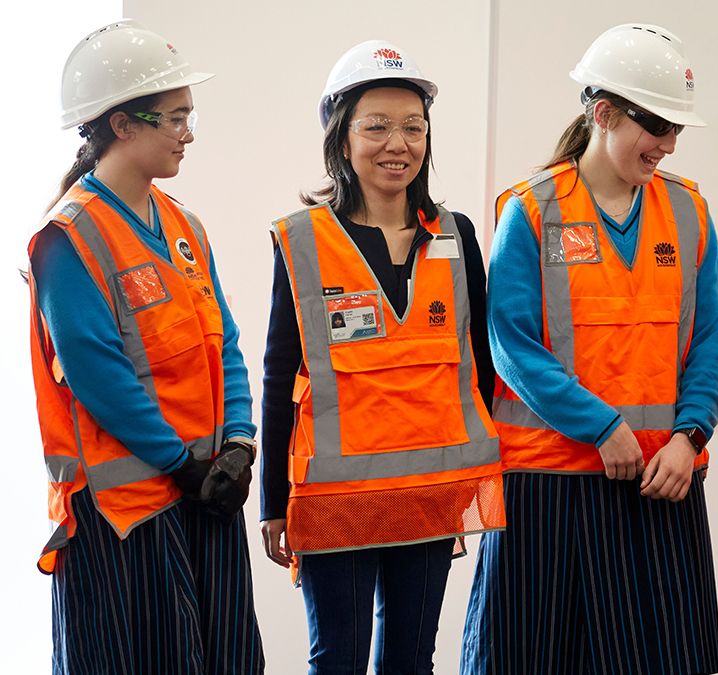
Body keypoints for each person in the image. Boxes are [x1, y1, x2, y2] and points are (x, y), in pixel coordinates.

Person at [461, 23, 718, 675]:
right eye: (656, 127)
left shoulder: (688, 211)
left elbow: (710, 336)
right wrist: (601, 426)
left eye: (675, 131)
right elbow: (512, 345)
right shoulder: (531, 210)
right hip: (549, 486)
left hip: (661, 482)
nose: (667, 146)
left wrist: (689, 437)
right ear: (603, 113)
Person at [259, 40, 505, 675]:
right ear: (343, 140)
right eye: (377, 127)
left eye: (413, 127)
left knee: (411, 660)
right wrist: (270, 504)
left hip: (428, 494)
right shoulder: (305, 239)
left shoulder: (456, 235)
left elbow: (479, 362)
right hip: (335, 498)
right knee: (335, 659)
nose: (398, 143)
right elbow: (280, 372)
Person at [28, 21, 263, 673]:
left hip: (207, 493)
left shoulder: (184, 223)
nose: (188, 132)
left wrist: (240, 444)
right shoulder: (68, 238)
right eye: (175, 117)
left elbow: (227, 343)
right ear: (122, 125)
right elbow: (97, 373)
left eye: (190, 115)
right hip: (126, 513)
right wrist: (179, 461)